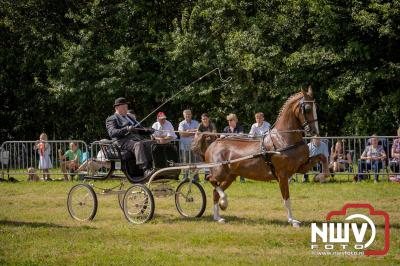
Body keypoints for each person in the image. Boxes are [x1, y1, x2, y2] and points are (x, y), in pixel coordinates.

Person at [105, 97, 155, 178]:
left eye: (126, 107)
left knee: (152, 143)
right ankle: (145, 170)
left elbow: (139, 129)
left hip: (134, 140)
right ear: (117, 108)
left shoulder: (130, 117)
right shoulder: (111, 119)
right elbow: (112, 133)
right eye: (124, 107)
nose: (126, 109)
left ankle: (156, 166)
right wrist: (126, 129)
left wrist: (148, 130)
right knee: (137, 145)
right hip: (121, 141)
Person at [223, 113, 245, 182]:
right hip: (229, 150)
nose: (229, 122)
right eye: (228, 120)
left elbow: (241, 135)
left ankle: (242, 178)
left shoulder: (240, 127)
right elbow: (221, 137)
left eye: (231, 120)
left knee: (240, 163)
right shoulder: (226, 128)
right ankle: (231, 177)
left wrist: (229, 137)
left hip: (238, 149)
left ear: (235, 120)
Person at [178, 109, 199, 180]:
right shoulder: (181, 124)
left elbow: (199, 131)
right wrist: (193, 132)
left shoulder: (196, 122)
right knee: (185, 163)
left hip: (194, 146)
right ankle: (185, 178)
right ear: (184, 116)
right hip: (184, 147)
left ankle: (196, 178)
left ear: (191, 115)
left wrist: (188, 131)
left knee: (194, 163)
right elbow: (181, 133)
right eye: (186, 114)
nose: (187, 116)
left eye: (189, 114)